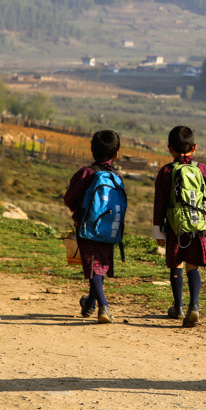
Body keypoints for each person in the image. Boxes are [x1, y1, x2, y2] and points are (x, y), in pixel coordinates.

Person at [153, 125, 206, 328]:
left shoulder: (167, 171)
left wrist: (157, 230)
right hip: (199, 224)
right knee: (193, 265)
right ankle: (194, 306)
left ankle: (178, 307)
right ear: (194, 147)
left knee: (176, 263)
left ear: (169, 148)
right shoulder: (202, 169)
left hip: (175, 225)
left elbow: (159, 203)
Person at [64, 129, 123, 324]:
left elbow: (70, 198)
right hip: (109, 228)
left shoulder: (86, 173)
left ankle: (103, 306)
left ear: (92, 150)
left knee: (94, 268)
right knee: (99, 267)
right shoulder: (116, 177)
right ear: (116, 154)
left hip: (87, 226)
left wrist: (79, 213)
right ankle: (89, 303)